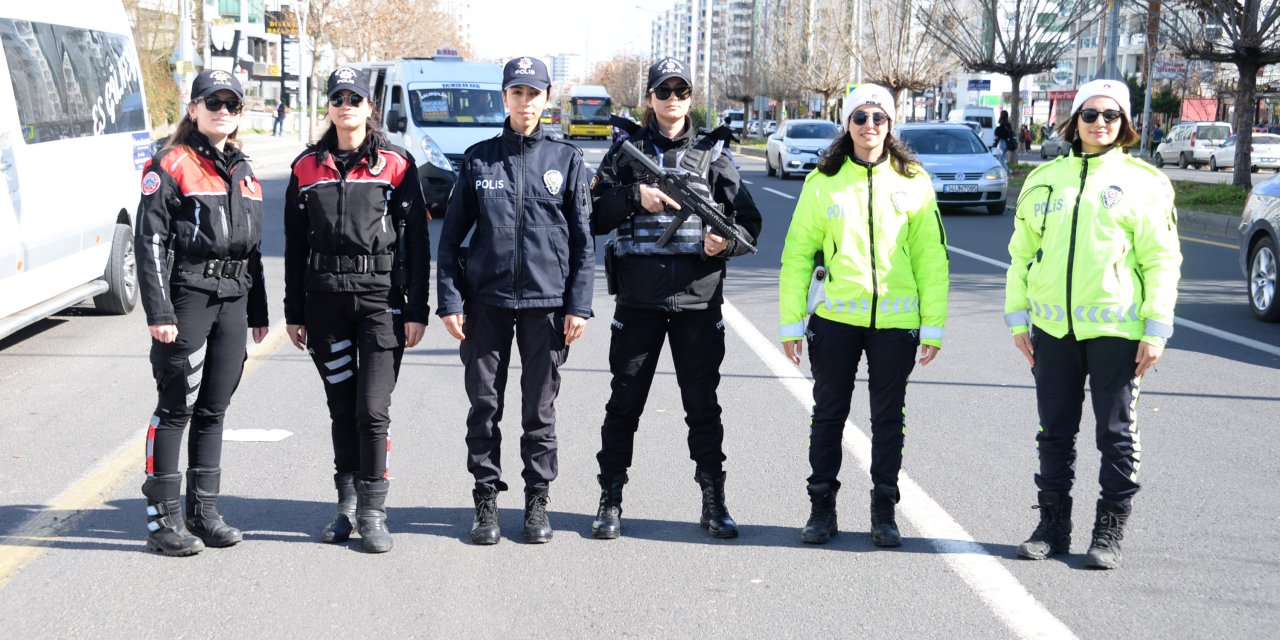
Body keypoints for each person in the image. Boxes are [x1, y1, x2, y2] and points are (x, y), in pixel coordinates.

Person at [1005, 79, 1182, 569]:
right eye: (1089, 114)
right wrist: (1019, 318)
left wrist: (1156, 329)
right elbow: (1021, 254)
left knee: (1116, 433)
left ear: (1124, 123)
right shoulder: (1043, 179)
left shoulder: (1146, 182)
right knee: (1055, 432)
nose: (1099, 122)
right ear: (1074, 120)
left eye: (1110, 115)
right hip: (1053, 330)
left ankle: (1109, 529)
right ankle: (1052, 525)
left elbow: (1162, 261)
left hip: (1118, 333)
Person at [588, 57, 762, 541]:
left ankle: (714, 502)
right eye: (662, 91)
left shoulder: (716, 155)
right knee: (624, 405)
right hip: (639, 302)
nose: (671, 99)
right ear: (649, 99)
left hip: (697, 302)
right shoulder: (626, 153)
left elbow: (749, 224)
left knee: (703, 407)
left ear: (690, 98)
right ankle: (610, 500)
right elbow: (594, 213)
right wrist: (633, 197)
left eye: (680, 91)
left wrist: (724, 242)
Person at [778, 84, 949, 546]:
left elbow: (932, 259)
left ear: (890, 125)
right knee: (828, 415)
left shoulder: (914, 181)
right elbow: (796, 255)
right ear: (847, 124)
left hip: (895, 324)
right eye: (860, 117)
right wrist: (792, 323)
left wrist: (932, 325)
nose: (869, 125)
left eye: (878, 117)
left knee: (888, 419)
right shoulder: (822, 181)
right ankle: (821, 509)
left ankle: (884, 511)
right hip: (835, 321)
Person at [435, 56, 594, 546]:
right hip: (486, 302)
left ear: (547, 99)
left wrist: (578, 305)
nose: (525, 103)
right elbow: (451, 237)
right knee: (484, 405)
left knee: (538, 409)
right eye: (517, 93)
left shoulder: (566, 160)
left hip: (546, 306)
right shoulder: (479, 159)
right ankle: (485, 501)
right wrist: (449, 300)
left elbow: (585, 243)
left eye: (534, 93)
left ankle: (536, 500)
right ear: (504, 98)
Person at [283, 67, 431, 554]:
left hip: (380, 301)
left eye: (355, 98)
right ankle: (345, 509)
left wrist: (417, 309)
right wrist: (293, 310)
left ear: (370, 108)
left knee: (372, 410)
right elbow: (293, 243)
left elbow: (417, 242)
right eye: (338, 97)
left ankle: (374, 512)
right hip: (325, 301)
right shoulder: (306, 167)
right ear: (328, 106)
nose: (346, 105)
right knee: (341, 409)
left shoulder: (396, 164)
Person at [135, 69, 269, 556]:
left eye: (231, 105)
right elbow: (148, 242)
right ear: (193, 109)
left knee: (214, 409)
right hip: (189, 296)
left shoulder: (244, 168)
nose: (222, 112)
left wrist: (259, 311)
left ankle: (204, 512)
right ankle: (162, 521)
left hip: (234, 297)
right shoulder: (171, 163)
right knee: (175, 408)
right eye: (212, 103)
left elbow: (252, 251)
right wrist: (160, 310)